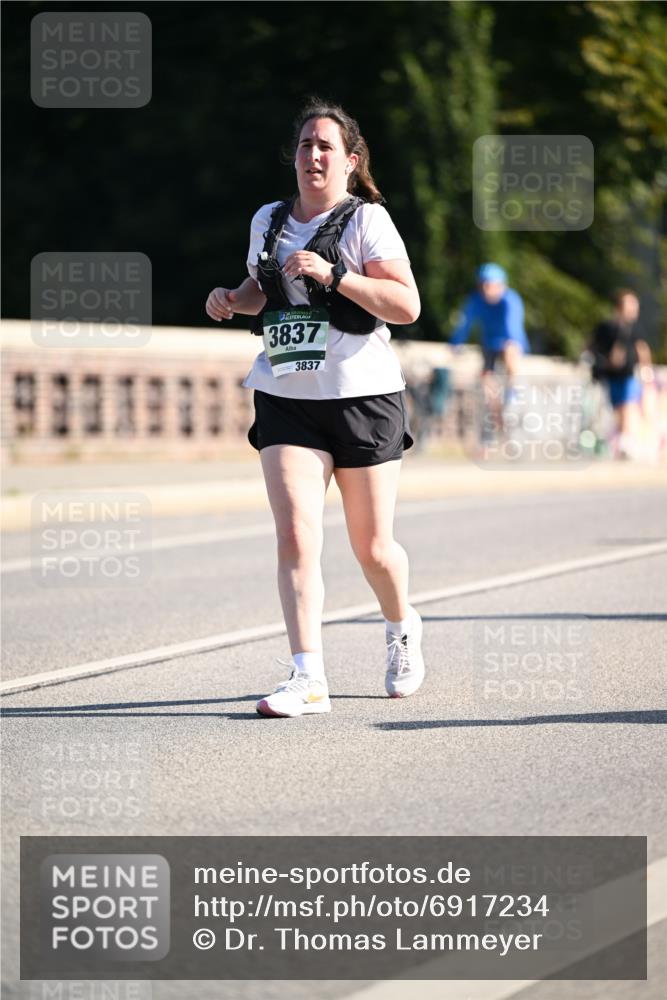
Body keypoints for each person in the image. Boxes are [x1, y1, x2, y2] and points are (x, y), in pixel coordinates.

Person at [205, 98, 424, 718]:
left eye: (326, 146)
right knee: (296, 536)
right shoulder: (268, 221)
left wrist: (335, 276)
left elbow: (406, 306)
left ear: (350, 162)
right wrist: (230, 300)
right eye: (305, 146)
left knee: (373, 547)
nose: (313, 155)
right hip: (286, 398)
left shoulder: (367, 223)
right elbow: (260, 292)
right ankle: (308, 677)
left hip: (362, 398)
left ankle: (402, 627)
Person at [450, 264, 529, 420]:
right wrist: (456, 344)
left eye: (489, 285)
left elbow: (512, 328)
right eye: (482, 285)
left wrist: (508, 345)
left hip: (509, 343)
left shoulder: (510, 300)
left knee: (510, 350)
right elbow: (465, 324)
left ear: (501, 285)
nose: (485, 289)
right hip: (489, 343)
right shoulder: (476, 300)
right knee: (486, 377)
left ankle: (513, 392)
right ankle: (497, 415)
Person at [589, 289, 654, 459]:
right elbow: (592, 346)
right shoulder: (606, 327)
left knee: (628, 407)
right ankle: (619, 444)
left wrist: (647, 375)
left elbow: (642, 351)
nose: (634, 309)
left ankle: (626, 444)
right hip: (608, 376)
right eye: (630, 305)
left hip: (628, 376)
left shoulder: (635, 329)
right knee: (617, 410)